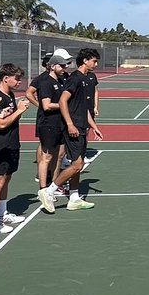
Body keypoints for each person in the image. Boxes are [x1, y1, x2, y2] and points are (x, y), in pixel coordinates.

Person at [37, 48, 103, 213]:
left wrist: (94, 127)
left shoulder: (85, 79)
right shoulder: (74, 78)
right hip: (73, 128)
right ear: (86, 60)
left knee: (78, 165)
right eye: (94, 61)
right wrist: (70, 124)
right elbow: (63, 101)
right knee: (77, 164)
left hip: (82, 126)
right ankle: (49, 191)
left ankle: (74, 198)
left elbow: (83, 108)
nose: (96, 64)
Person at [0, 63, 31, 235]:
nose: (20, 82)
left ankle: (2, 213)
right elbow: (1, 123)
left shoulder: (10, 95)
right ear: (6, 78)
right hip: (1, 144)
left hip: (12, 143)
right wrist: (19, 111)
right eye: (17, 78)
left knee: (7, 178)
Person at [35, 53, 70, 194]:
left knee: (59, 155)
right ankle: (43, 188)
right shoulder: (46, 82)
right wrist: (64, 105)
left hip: (60, 124)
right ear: (52, 66)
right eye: (61, 66)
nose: (64, 68)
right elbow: (47, 105)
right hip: (48, 124)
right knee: (47, 156)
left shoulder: (61, 81)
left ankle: (54, 186)